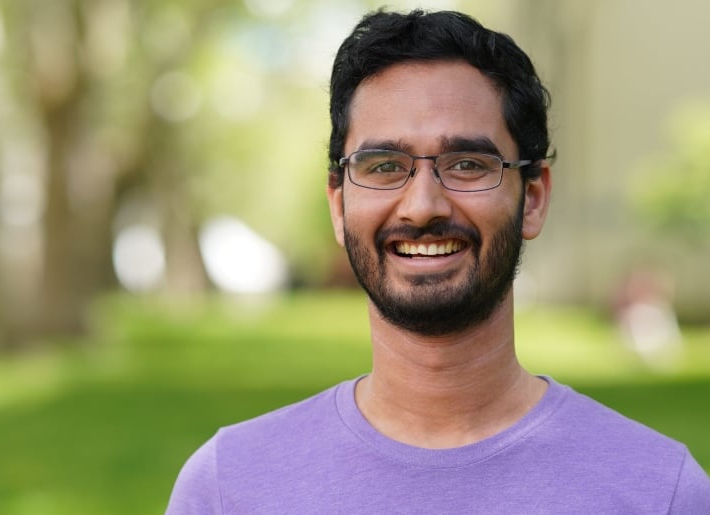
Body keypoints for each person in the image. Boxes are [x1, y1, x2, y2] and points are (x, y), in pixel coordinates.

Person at [166, 9, 710, 514]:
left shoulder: (662, 492)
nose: (423, 205)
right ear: (338, 204)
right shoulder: (227, 489)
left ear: (534, 198)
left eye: (468, 163)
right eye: (383, 165)